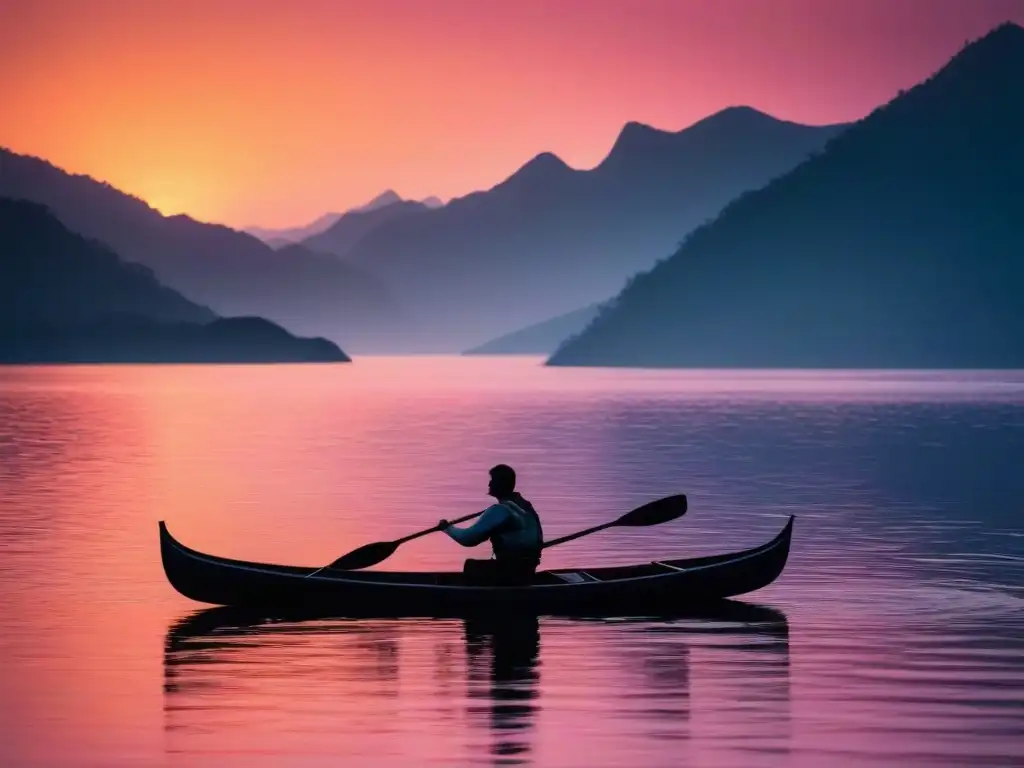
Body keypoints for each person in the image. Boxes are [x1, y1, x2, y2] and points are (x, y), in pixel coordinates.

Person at [439, 464, 544, 586]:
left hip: (511, 573)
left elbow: (468, 539)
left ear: (501, 484)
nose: (489, 484)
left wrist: (447, 528)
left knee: (471, 566)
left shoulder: (500, 510)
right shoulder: (526, 507)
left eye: (492, 480)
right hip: (528, 570)